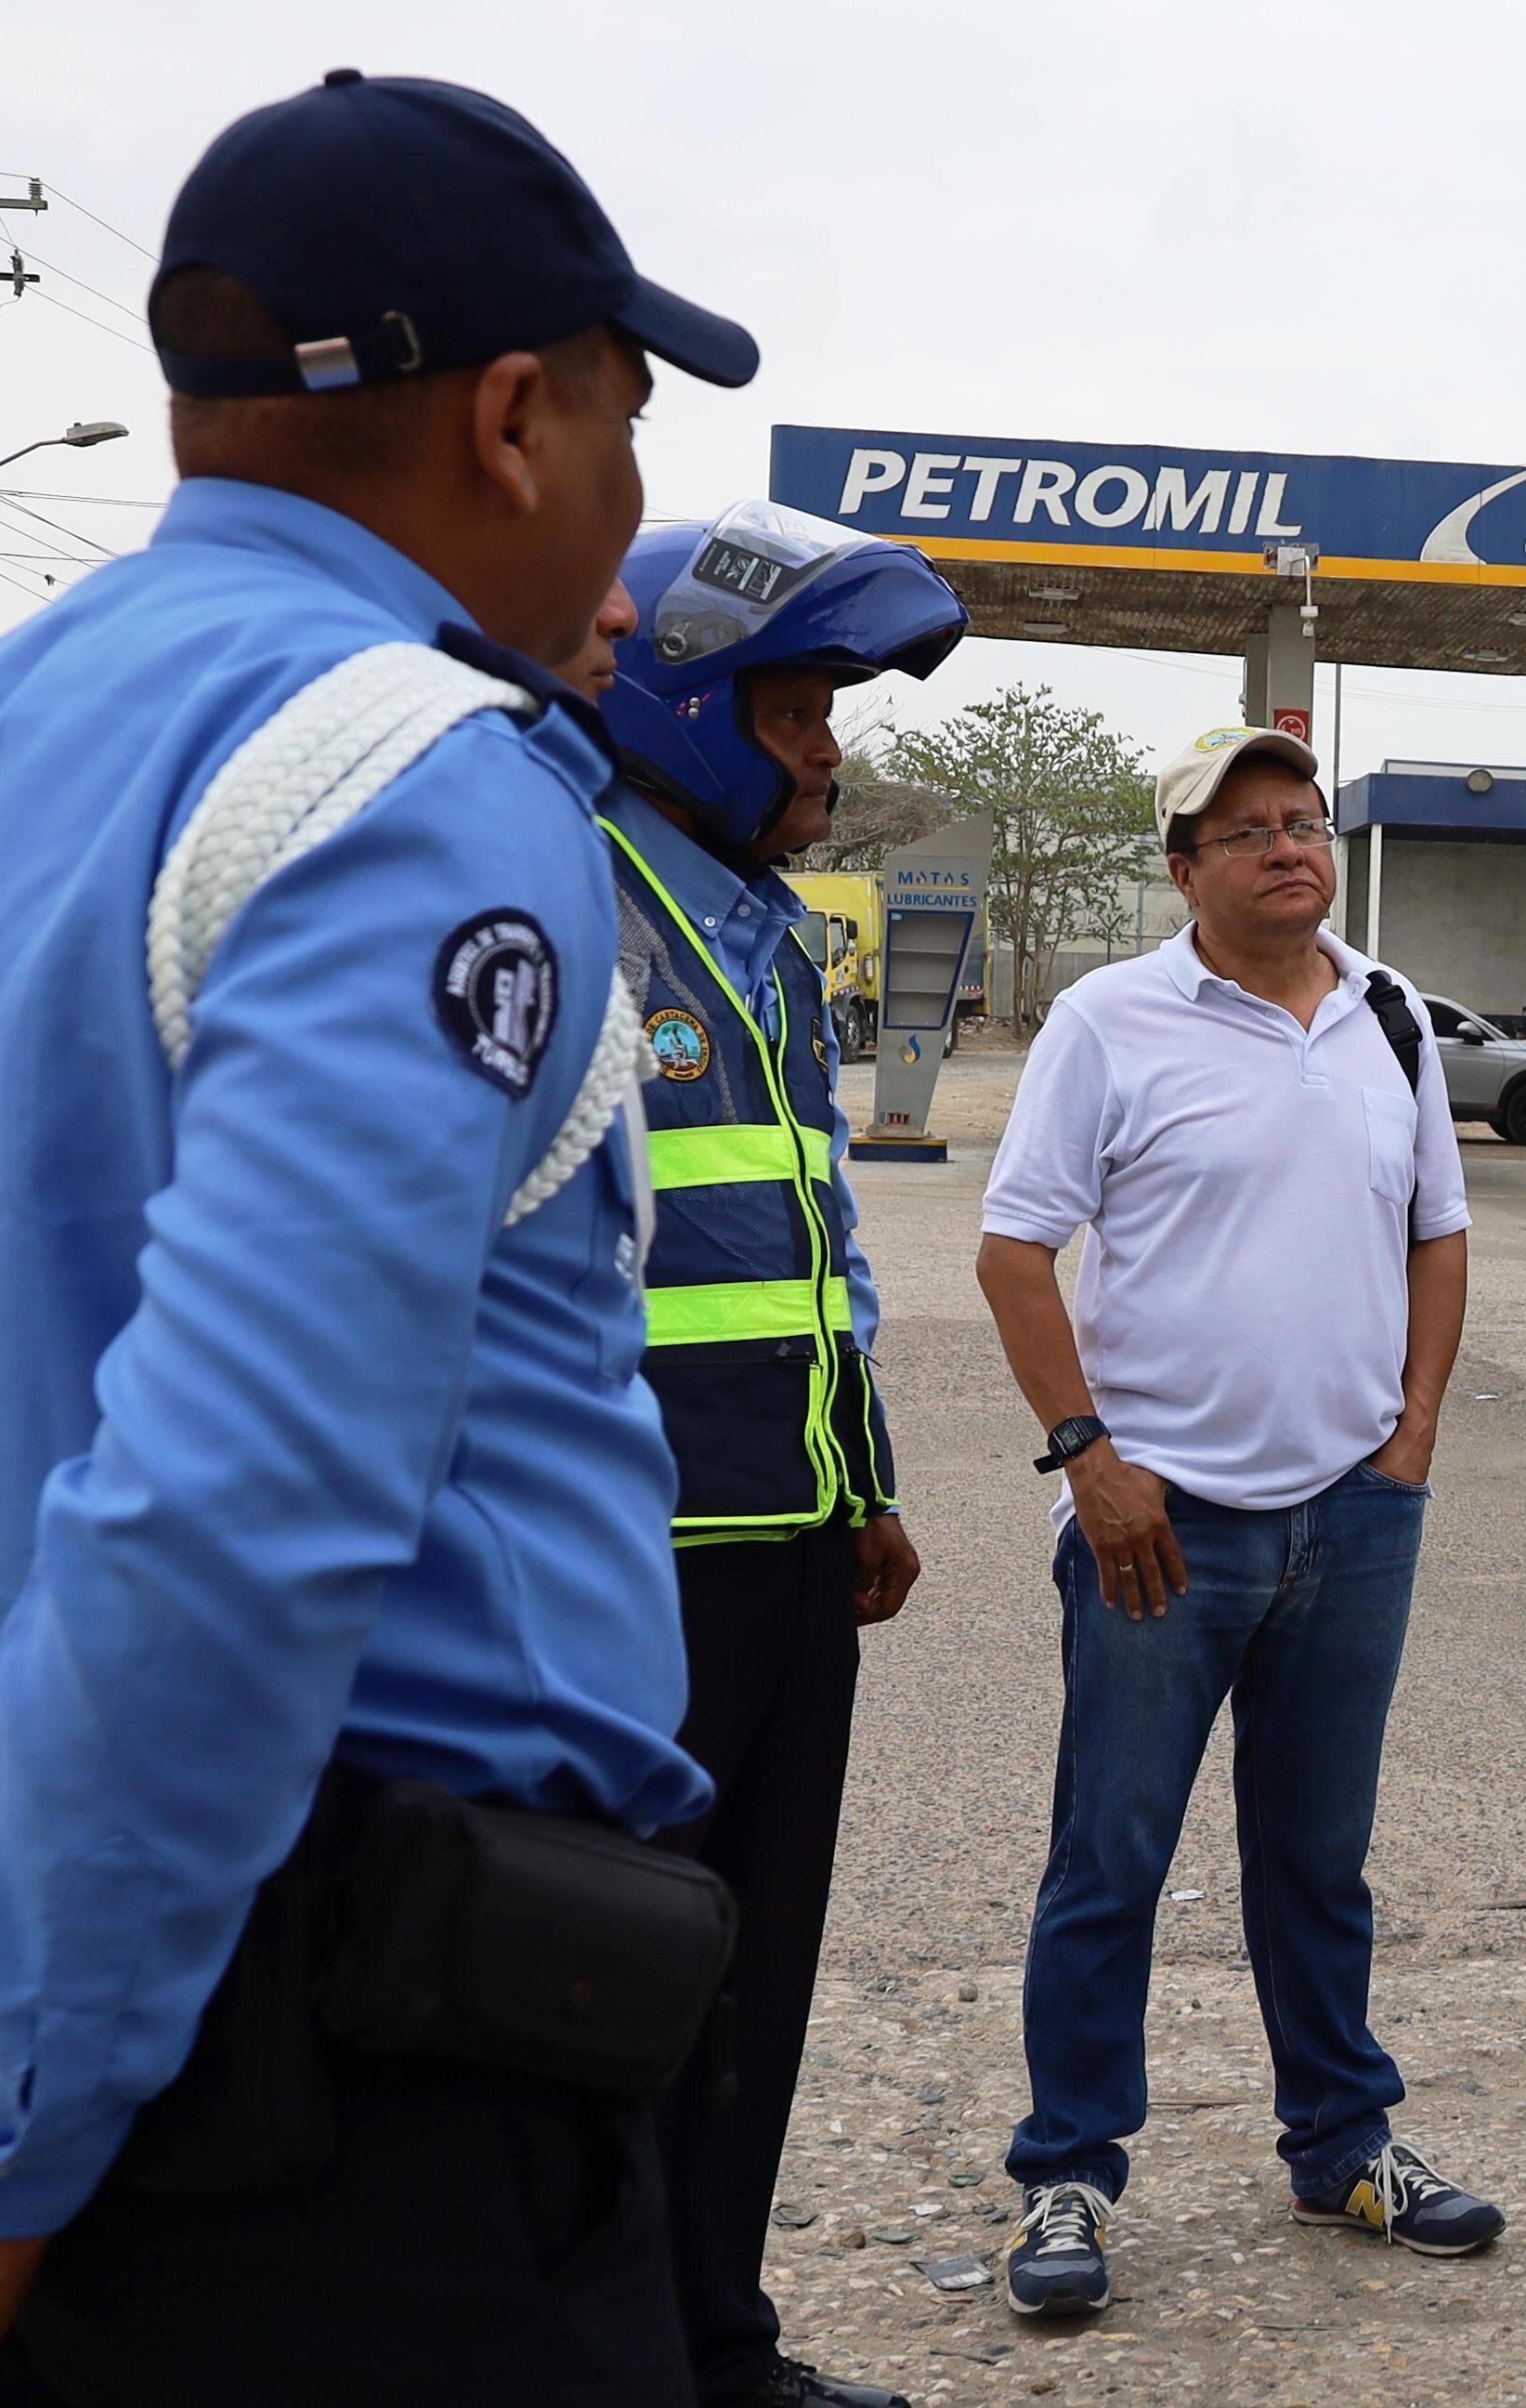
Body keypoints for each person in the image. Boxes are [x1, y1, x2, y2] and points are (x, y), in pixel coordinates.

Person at [0, 71, 760, 2408]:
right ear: (511, 417)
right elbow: (228, 1516)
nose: (621, 496)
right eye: (619, 420)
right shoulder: (412, 783)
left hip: (37, 1935)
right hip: (289, 2104)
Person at [974, 726, 1504, 2317]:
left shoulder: (1385, 1013)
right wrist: (1086, 1452)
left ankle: (1341, 2142)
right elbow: (1014, 1250)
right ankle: (1068, 2172)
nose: (1288, 846)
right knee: (1110, 1858)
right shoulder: (1108, 1021)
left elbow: (1439, 1238)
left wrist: (1408, 1435)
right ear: (1182, 865)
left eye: (1305, 821)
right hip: (1161, 1525)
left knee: (1316, 1860)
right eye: (1247, 828)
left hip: (1352, 1517)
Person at [596, 508, 969, 2408]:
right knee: (615, 1977)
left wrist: (869, 1473)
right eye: (800, 707)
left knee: (752, 1971)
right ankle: (615, 2349)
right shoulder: (574, 888)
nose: (827, 748)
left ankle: (716, 2345)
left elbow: (798, 1245)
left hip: (787, 1529)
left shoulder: (741, 923)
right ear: (686, 704)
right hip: (630, 1557)